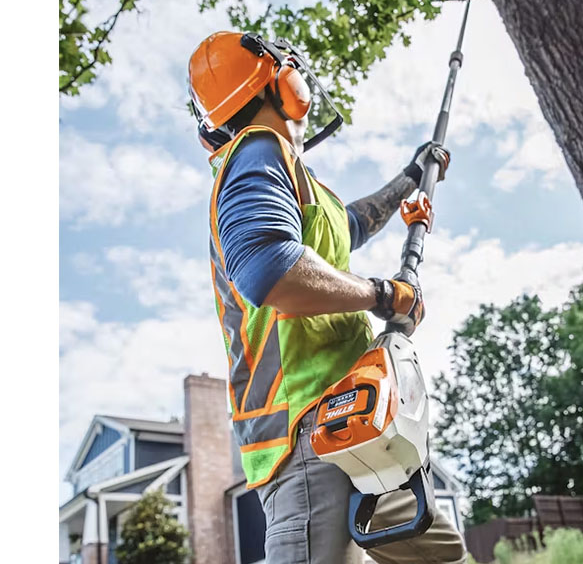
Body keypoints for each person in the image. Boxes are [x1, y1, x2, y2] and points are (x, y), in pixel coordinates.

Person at [188, 31, 467, 564]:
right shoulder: (256, 152)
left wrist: (411, 179)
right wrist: (384, 295)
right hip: (310, 429)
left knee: (438, 557)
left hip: (357, 418)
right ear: (281, 81)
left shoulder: (291, 177)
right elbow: (273, 269)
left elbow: (351, 223)